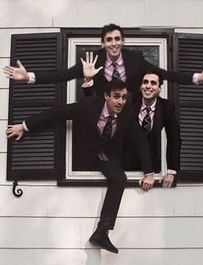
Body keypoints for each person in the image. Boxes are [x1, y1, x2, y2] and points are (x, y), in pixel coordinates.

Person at [6, 81, 155, 254]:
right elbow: (57, 113)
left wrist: (149, 173)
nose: (120, 101)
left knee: (120, 178)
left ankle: (102, 232)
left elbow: (140, 141)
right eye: (116, 97)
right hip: (81, 157)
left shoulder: (127, 114)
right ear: (106, 96)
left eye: (123, 97)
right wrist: (25, 126)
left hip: (106, 156)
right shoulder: (88, 106)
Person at [3, 24, 203, 97]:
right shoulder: (91, 60)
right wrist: (29, 77)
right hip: (101, 113)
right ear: (103, 43)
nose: (114, 43)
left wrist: (198, 78)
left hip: (130, 112)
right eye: (109, 40)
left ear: (122, 41)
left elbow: (165, 74)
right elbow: (62, 75)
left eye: (117, 39)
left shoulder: (136, 59)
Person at [125, 71, 181, 188]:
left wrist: (171, 171)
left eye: (153, 83)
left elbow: (174, 139)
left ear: (159, 88)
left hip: (152, 163)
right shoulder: (129, 102)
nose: (148, 86)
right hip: (126, 164)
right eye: (145, 82)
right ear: (141, 86)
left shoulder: (167, 107)